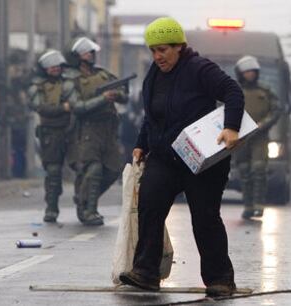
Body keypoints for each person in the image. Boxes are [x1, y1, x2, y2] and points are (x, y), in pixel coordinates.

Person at [118, 17, 245, 297]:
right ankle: (146, 272)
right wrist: (141, 144)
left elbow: (233, 92)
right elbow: (152, 116)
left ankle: (220, 279)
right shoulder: (154, 74)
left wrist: (231, 127)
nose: (157, 56)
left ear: (179, 47)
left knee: (205, 217)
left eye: (162, 49)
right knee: (149, 206)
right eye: (153, 50)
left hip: (201, 159)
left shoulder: (200, 69)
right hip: (165, 157)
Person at [64, 37, 128, 226]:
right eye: (87, 53)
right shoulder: (70, 80)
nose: (91, 55)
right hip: (87, 129)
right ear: (78, 57)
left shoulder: (103, 74)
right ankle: (88, 210)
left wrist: (117, 94)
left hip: (108, 128)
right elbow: (78, 107)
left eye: (92, 52)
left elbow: (123, 94)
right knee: (93, 169)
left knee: (114, 169)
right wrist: (102, 99)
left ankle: (82, 197)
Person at [28, 49, 75, 223]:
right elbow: (41, 108)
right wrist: (62, 108)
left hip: (71, 131)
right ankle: (52, 207)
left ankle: (85, 206)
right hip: (51, 134)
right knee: (53, 172)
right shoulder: (38, 88)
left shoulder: (69, 84)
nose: (55, 69)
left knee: (84, 169)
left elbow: (77, 104)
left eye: (58, 66)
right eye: (51, 66)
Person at [234, 56, 281, 219]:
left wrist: (263, 124)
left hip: (260, 137)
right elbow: (224, 110)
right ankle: (248, 206)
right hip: (240, 137)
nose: (250, 75)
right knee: (244, 171)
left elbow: (276, 109)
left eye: (253, 72)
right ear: (241, 74)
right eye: (247, 72)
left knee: (259, 170)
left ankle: (259, 205)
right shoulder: (235, 91)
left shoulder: (265, 91)